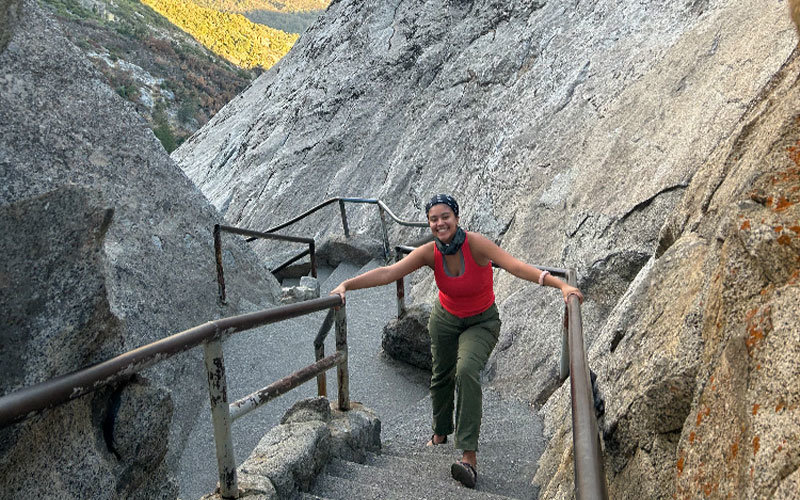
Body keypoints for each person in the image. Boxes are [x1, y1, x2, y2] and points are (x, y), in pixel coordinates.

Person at [330, 194, 583, 489]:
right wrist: (346, 284)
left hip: (481, 321)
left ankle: (468, 458)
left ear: (457, 217)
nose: (440, 223)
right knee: (441, 376)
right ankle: (439, 433)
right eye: (433, 219)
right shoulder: (429, 252)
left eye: (445, 216)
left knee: (466, 372)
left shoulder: (476, 244)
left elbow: (515, 266)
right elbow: (389, 273)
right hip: (445, 319)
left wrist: (561, 284)